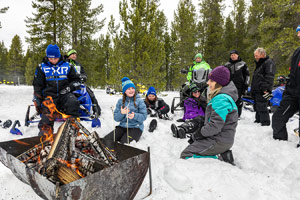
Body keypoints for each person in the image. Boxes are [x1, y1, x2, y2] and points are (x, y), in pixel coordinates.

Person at [180, 66, 238, 163]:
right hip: (218, 138)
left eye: (211, 80)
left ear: (218, 83)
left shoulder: (221, 99)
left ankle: (220, 158)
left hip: (219, 140)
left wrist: (200, 134)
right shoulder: (221, 97)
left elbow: (215, 126)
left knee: (186, 155)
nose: (208, 83)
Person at [33, 44, 81, 136]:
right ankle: (45, 138)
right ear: (47, 57)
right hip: (49, 96)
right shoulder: (41, 67)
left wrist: (69, 88)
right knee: (47, 114)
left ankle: (73, 131)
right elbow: (37, 85)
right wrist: (37, 99)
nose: (53, 61)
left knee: (73, 102)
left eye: (55, 58)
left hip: (65, 94)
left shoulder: (68, 66)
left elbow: (77, 81)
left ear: (59, 56)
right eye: (51, 59)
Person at [272, 26, 300, 140]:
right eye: (297, 33)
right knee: (278, 117)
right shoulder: (297, 52)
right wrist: (287, 91)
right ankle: (279, 142)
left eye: (299, 32)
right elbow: (293, 74)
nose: (298, 35)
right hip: (293, 93)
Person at [104, 77, 147, 144]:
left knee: (124, 143)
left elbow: (144, 116)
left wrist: (135, 116)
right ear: (124, 91)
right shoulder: (120, 101)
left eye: (132, 88)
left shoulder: (139, 101)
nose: (131, 90)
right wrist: (121, 113)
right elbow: (116, 118)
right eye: (128, 89)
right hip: (122, 126)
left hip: (136, 127)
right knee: (107, 139)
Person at [65, 49, 101, 118]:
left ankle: (96, 111)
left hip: (79, 83)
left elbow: (83, 73)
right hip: (68, 84)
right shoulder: (64, 63)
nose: (74, 55)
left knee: (91, 94)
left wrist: (83, 77)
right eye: (72, 54)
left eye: (75, 54)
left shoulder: (78, 64)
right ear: (68, 55)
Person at [251, 47, 276, 126]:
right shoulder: (260, 63)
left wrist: (265, 88)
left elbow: (270, 76)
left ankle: (265, 122)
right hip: (257, 89)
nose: (255, 57)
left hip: (264, 89)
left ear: (262, 54)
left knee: (262, 105)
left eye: (256, 55)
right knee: (257, 105)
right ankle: (258, 120)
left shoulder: (269, 63)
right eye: (254, 55)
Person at [224, 50, 250, 118]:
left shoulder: (243, 64)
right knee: (229, 100)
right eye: (232, 55)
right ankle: (229, 114)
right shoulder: (227, 65)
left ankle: (237, 115)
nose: (233, 56)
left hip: (240, 86)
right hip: (229, 86)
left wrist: (246, 86)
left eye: (234, 55)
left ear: (237, 55)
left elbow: (247, 76)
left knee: (238, 101)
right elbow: (224, 76)